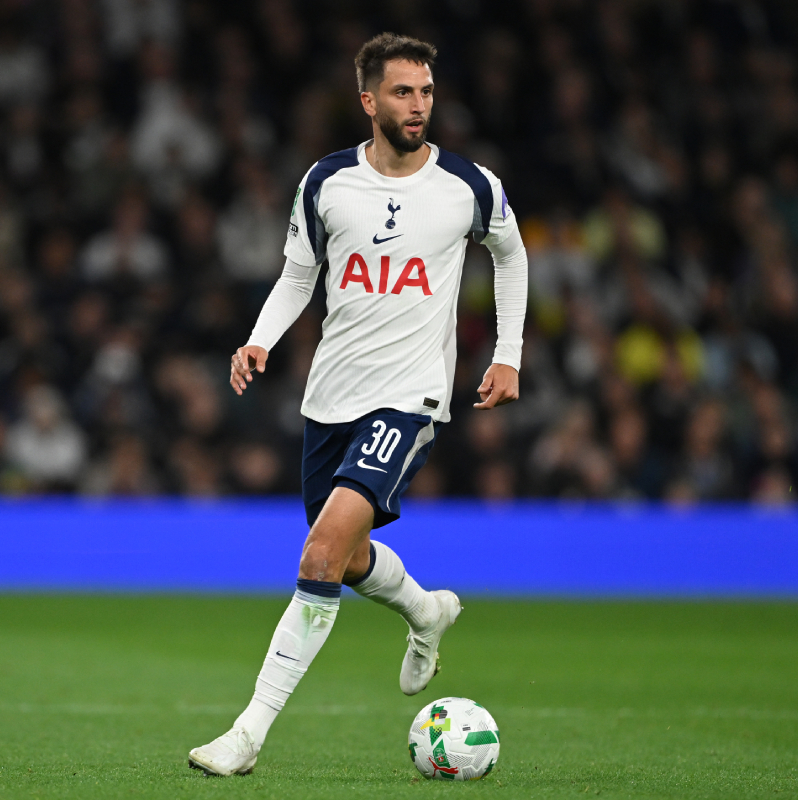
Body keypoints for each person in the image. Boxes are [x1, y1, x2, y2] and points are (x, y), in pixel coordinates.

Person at [188, 33, 528, 776]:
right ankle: (425, 610)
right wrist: (259, 341)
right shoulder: (327, 182)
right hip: (330, 396)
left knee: (317, 551)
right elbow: (295, 274)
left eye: (428, 92)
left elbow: (511, 253)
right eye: (404, 92)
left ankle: (246, 736)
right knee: (340, 559)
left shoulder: (467, 185)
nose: (419, 106)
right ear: (369, 100)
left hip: (409, 398)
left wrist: (508, 354)